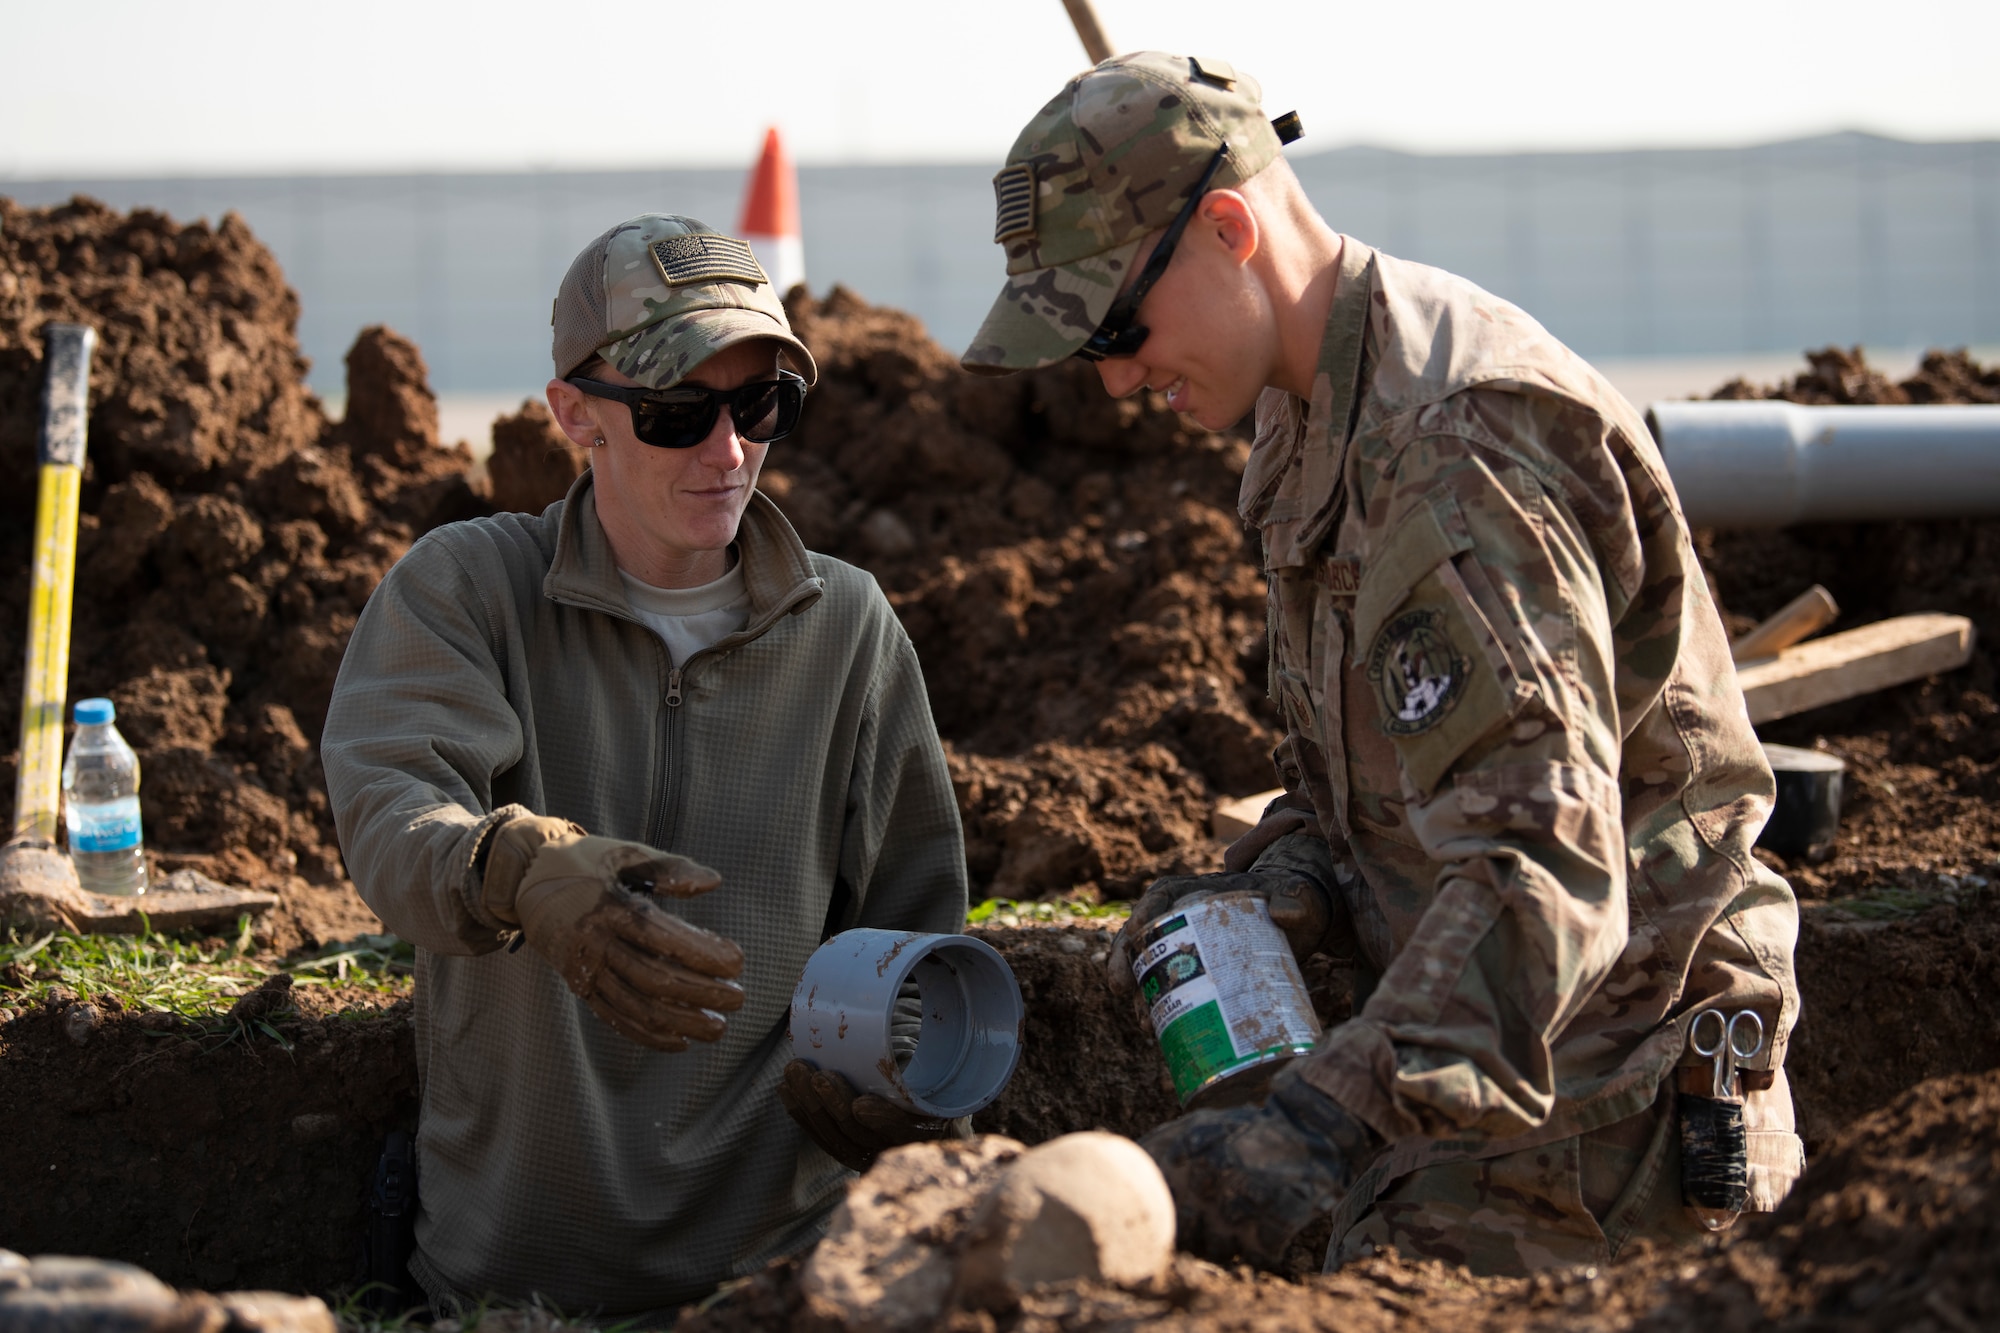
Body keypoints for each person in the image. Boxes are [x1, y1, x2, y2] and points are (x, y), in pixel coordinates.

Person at [960, 53, 1804, 1277]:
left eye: (1114, 324)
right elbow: (1409, 769)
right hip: (1485, 1107)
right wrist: (1284, 886)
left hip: (1601, 1147)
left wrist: (1316, 1122)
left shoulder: (1452, 451)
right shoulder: (1315, 415)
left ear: (1227, 225)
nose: (1112, 376)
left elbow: (1543, 865)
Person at [322, 214, 969, 1320]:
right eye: (677, 413)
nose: (728, 453)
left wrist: (909, 1065)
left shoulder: (847, 627)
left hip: (772, 1288)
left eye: (759, 405)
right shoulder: (470, 592)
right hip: (509, 1287)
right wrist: (514, 864)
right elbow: (392, 811)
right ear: (573, 413)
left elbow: (912, 919)